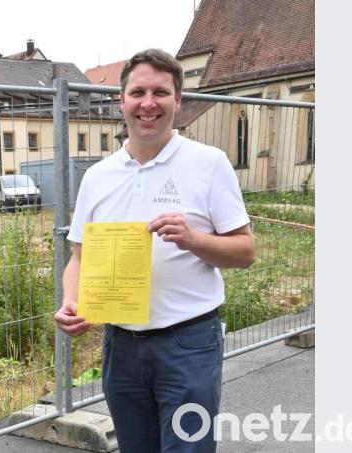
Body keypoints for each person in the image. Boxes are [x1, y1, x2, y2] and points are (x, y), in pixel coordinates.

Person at [54, 48, 255, 452]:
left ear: (177, 101)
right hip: (121, 346)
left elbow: (245, 251)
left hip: (188, 343)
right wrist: (71, 301)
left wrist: (194, 239)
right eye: (138, 93)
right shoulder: (98, 176)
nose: (149, 104)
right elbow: (79, 257)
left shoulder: (209, 163)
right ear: (122, 101)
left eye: (160, 93)